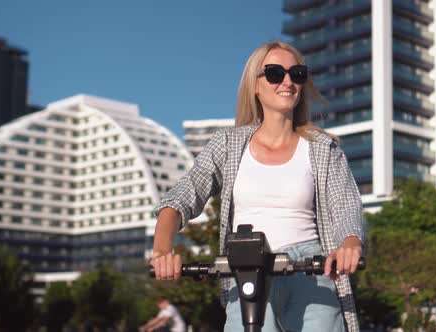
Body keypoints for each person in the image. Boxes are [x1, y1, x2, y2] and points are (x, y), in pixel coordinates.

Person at [151, 40, 365, 332]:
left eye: (297, 74)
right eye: (275, 73)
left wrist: (350, 244)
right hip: (247, 269)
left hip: (311, 270)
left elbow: (346, 207)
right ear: (255, 85)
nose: (287, 81)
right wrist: (162, 250)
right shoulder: (227, 144)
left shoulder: (323, 148)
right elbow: (182, 196)